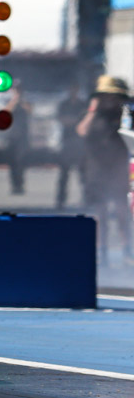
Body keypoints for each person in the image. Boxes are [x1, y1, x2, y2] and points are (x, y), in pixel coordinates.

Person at [76, 75, 133, 264]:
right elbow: (82, 130)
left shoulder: (125, 115)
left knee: (122, 212)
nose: (110, 100)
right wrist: (92, 110)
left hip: (119, 170)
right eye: (106, 95)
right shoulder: (92, 115)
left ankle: (127, 251)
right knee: (100, 214)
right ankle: (102, 252)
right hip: (96, 170)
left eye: (114, 96)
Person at [55, 83, 86, 209]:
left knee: (82, 173)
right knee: (64, 173)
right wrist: (75, 120)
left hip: (80, 142)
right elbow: (62, 119)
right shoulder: (64, 104)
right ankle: (61, 200)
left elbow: (85, 121)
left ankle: (86, 198)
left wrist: (74, 121)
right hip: (67, 141)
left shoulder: (82, 104)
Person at [4, 81, 31, 195]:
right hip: (12, 135)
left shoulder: (26, 101)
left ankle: (20, 184)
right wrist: (14, 101)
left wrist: (22, 101)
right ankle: (14, 185)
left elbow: (30, 111)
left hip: (23, 136)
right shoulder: (9, 101)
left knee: (21, 161)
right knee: (12, 162)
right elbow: (5, 112)